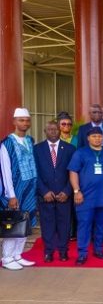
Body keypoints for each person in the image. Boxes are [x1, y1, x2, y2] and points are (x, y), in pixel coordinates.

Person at [68, 127, 103, 265]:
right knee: (84, 225)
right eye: (94, 136)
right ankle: (82, 253)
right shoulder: (80, 153)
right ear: (88, 138)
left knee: (101, 225)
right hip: (85, 197)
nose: (97, 138)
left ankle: (98, 250)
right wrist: (76, 191)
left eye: (99, 136)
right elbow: (73, 172)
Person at [0, 108, 38, 270]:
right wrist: (11, 195)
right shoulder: (7, 143)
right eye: (21, 120)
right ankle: (7, 258)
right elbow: (5, 171)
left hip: (30, 188)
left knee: (25, 222)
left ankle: (17, 255)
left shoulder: (30, 140)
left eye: (27, 120)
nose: (25, 123)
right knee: (13, 222)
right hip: (15, 190)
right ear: (14, 121)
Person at [34, 121, 76, 263]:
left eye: (55, 129)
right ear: (45, 131)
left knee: (64, 225)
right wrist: (44, 191)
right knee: (47, 225)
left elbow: (74, 172)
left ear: (60, 130)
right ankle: (49, 252)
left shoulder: (70, 149)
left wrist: (67, 191)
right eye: (49, 129)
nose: (53, 131)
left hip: (64, 195)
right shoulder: (37, 149)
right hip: (45, 196)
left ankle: (63, 252)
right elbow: (36, 173)